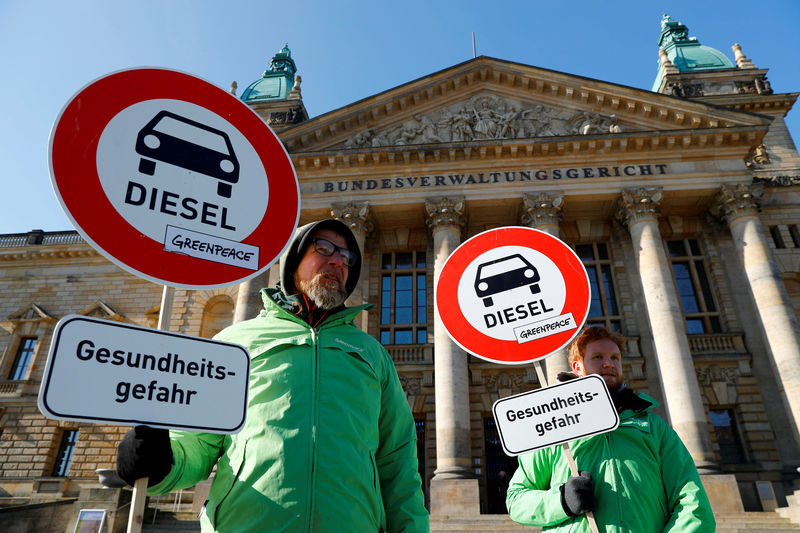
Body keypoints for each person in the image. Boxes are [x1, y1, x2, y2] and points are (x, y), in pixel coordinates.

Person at [115, 219, 429, 533]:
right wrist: (159, 463)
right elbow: (199, 444)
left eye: (347, 258)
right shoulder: (234, 342)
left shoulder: (371, 353)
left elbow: (398, 464)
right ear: (292, 260)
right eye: (323, 249)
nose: (338, 261)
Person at [505, 326, 715, 532]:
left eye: (615, 358)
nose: (608, 363)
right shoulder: (552, 428)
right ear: (577, 367)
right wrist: (561, 501)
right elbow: (516, 500)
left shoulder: (653, 426)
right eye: (597, 357)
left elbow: (693, 502)